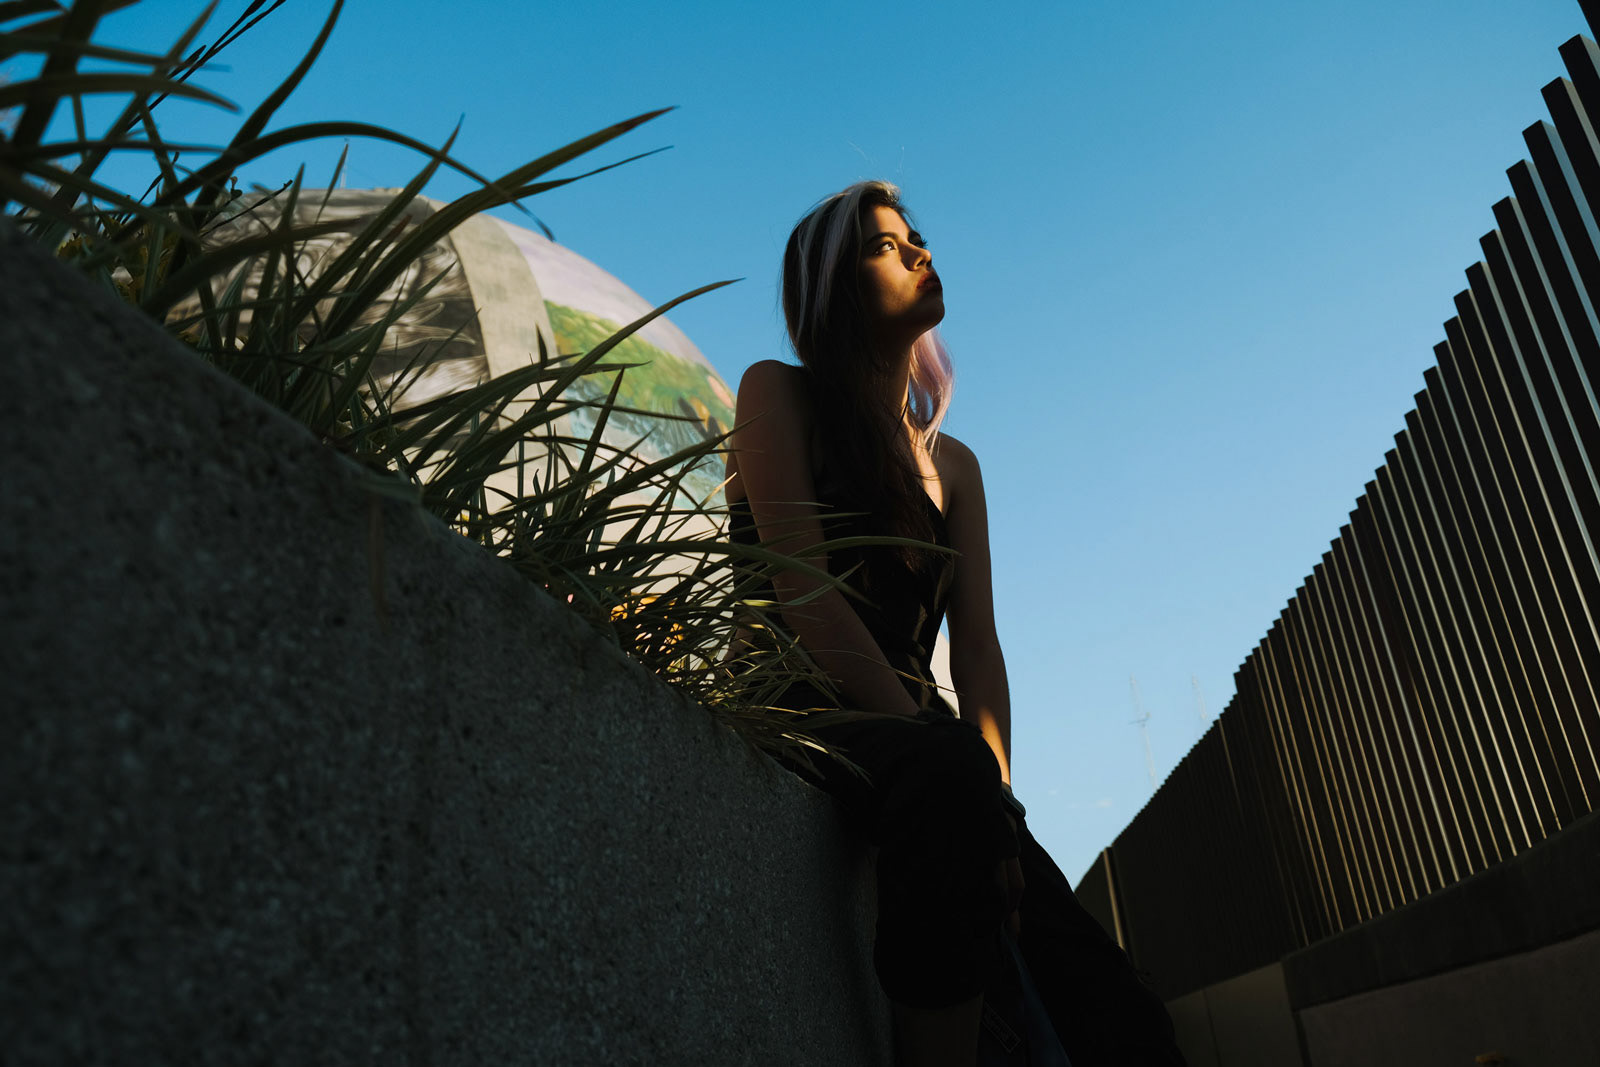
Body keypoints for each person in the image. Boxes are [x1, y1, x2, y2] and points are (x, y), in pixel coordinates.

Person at [725, 180, 1186, 1067]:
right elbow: (805, 594)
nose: (920, 252)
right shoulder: (775, 393)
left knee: (1125, 1015)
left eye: (917, 238)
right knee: (949, 782)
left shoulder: (957, 467)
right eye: (885, 246)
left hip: (930, 746)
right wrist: (955, 766)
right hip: (805, 711)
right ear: (833, 286)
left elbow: (976, 650)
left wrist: (998, 804)